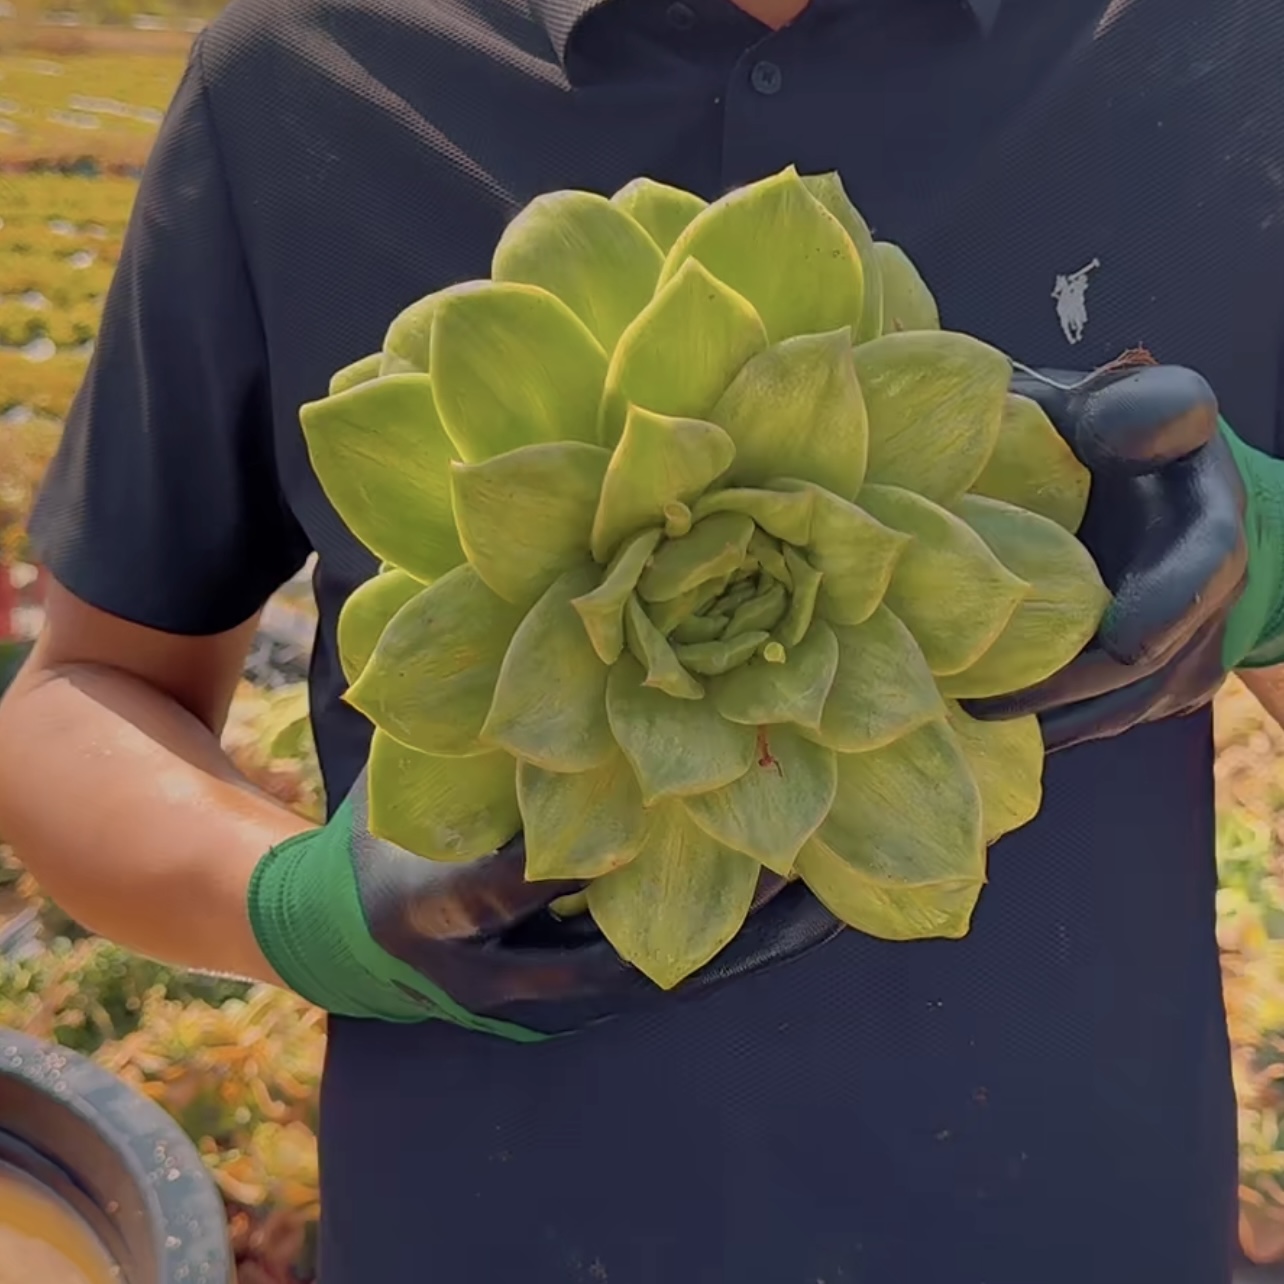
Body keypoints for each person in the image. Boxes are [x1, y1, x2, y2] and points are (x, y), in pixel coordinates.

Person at [2, 0, 1283, 1278]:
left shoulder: (1219, 52)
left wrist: (1270, 559)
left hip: (1073, 1224)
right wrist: (297, 908)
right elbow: (84, 693)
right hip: (489, 1233)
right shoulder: (309, 72)